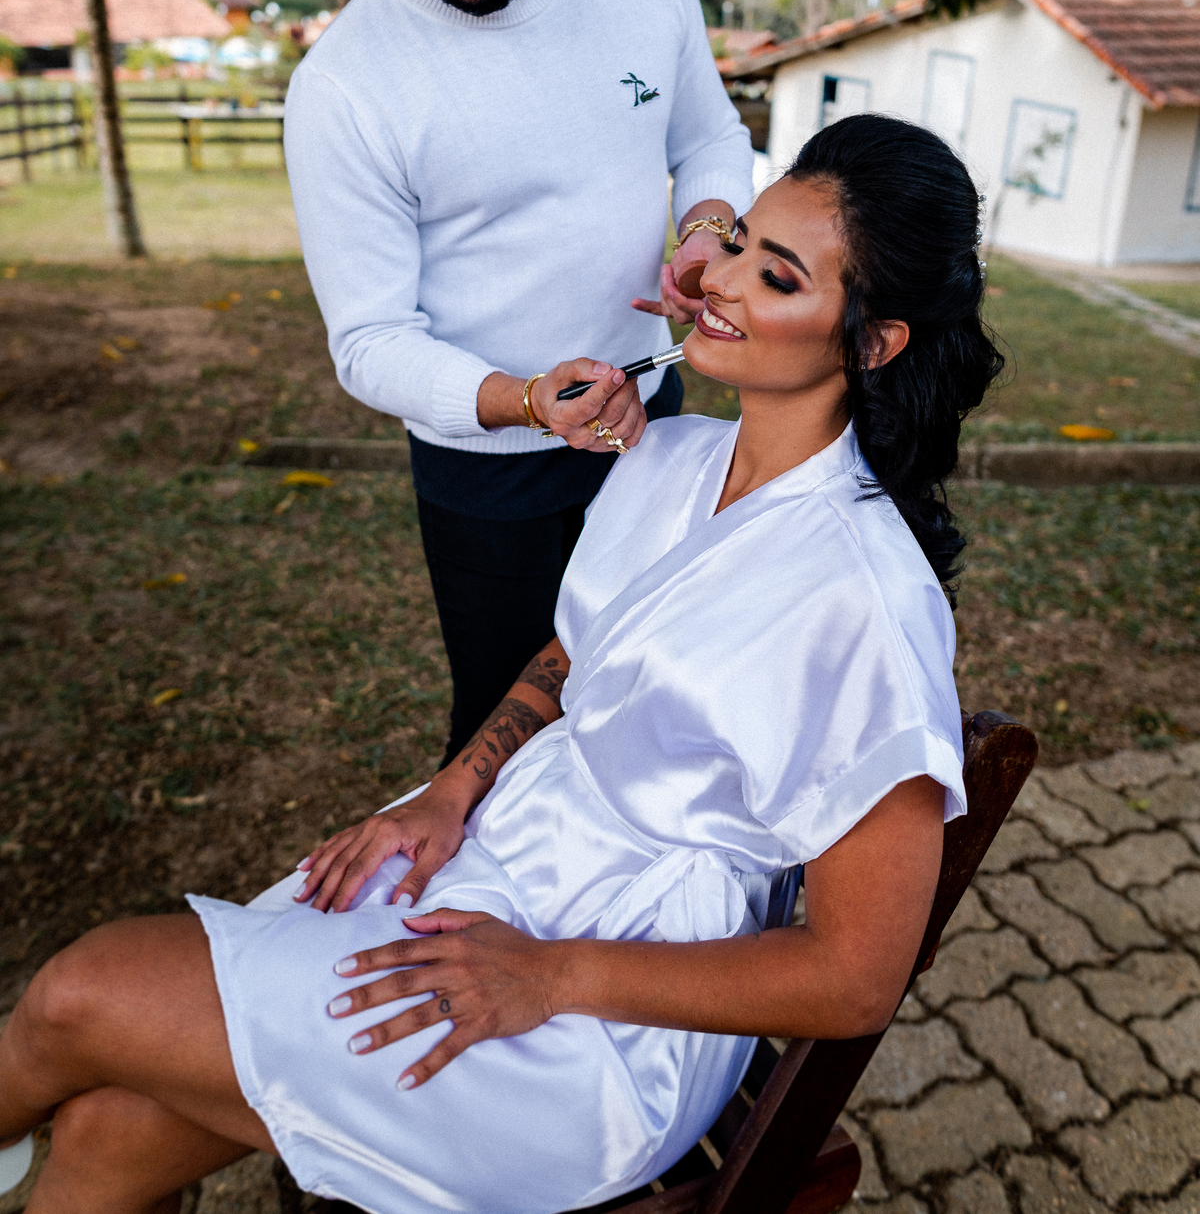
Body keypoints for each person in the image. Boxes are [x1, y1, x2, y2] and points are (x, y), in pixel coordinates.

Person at [0, 114, 1004, 1214]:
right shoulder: (672, 455)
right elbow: (579, 651)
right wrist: (451, 790)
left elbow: (855, 980)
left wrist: (550, 972)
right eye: (735, 242)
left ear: (873, 342)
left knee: (74, 996)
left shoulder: (864, 602)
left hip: (609, 1012)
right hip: (505, 848)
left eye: (775, 275)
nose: (715, 280)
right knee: (104, 1129)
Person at [284, 0, 754, 761]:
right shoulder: (343, 90)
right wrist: (529, 398)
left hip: (655, 420)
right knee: (509, 739)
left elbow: (710, 134)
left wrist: (708, 229)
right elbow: (370, 342)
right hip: (489, 473)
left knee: (656, 698)